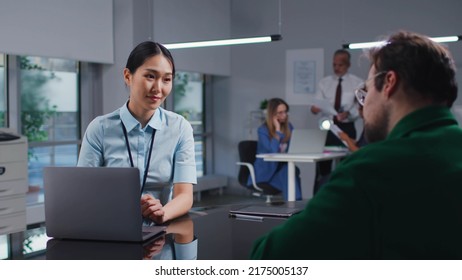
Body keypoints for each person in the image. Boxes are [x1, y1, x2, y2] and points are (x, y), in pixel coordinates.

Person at [251, 31, 462, 259]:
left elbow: (270, 257)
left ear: (389, 83)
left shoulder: (370, 170)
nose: (364, 103)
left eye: (366, 91)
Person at [77, 41, 197, 224]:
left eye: (166, 79)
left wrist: (162, 212)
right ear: (128, 76)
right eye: (150, 76)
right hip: (110, 228)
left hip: (159, 235)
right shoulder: (100, 129)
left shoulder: (180, 128)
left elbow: (184, 196)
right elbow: (84, 192)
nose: (158, 88)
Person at [311, 49, 363, 189]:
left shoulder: (357, 83)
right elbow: (316, 104)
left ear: (348, 65)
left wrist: (349, 113)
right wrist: (315, 108)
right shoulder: (324, 83)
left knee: (347, 164)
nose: (336, 68)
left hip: (346, 127)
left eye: (340, 65)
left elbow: (360, 106)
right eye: (334, 64)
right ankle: (319, 197)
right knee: (323, 167)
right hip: (328, 128)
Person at [251, 98, 302, 200]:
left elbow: (294, 147)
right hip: (267, 172)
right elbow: (273, 152)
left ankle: (294, 206)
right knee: (290, 175)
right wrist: (277, 131)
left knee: (290, 171)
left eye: (285, 112)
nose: (284, 115)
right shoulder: (263, 130)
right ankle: (296, 205)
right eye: (280, 112)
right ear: (272, 114)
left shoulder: (289, 127)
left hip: (281, 168)